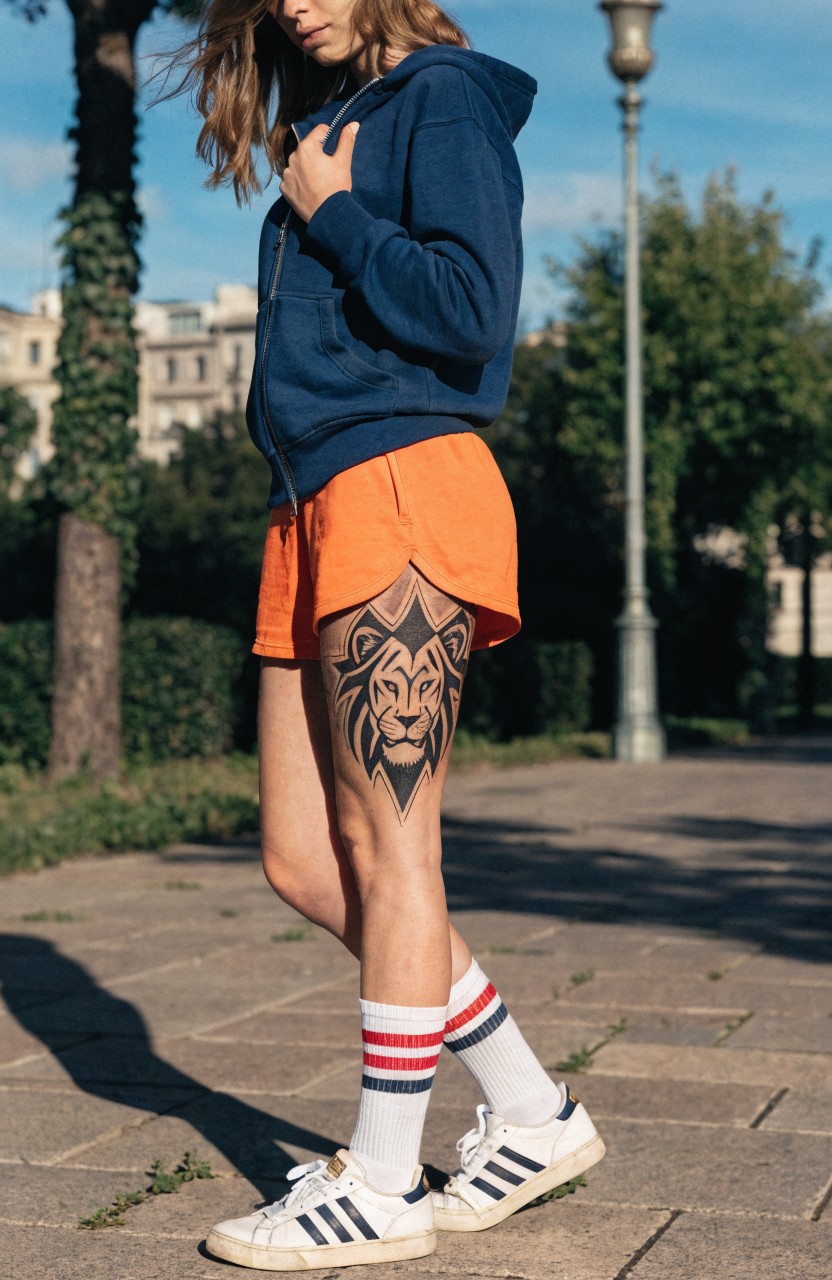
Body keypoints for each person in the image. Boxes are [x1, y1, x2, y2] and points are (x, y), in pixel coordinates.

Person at [163, 0, 605, 1269]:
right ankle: (527, 1107)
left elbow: (471, 314)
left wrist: (332, 212)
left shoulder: (443, 98)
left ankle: (382, 1177)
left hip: (403, 479)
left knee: (395, 844)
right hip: (311, 501)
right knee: (308, 859)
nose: (294, 1)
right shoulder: (335, 120)